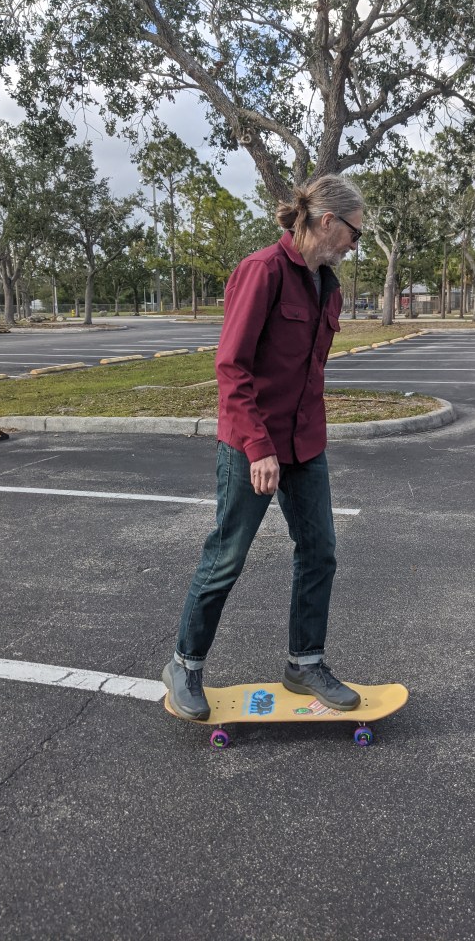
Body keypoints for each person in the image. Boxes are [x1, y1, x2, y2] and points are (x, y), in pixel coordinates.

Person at [163, 174, 365, 720]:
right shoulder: (262, 272)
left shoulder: (327, 284)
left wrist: (298, 440)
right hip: (253, 444)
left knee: (320, 551)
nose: (354, 245)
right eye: (354, 234)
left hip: (305, 444)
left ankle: (305, 662)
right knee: (227, 556)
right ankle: (185, 664)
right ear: (328, 221)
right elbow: (232, 367)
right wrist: (258, 447)